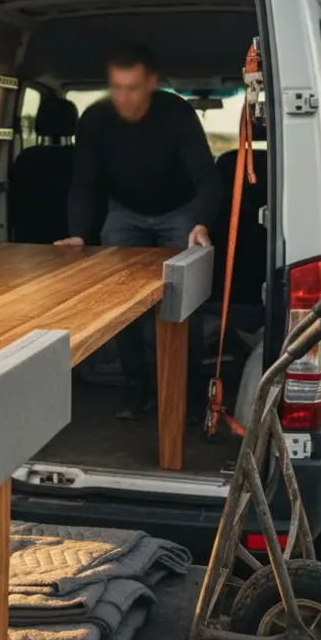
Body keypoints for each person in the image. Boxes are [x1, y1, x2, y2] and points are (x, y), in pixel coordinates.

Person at [55, 42, 221, 418]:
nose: (124, 98)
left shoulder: (177, 114)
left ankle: (188, 394)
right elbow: (84, 182)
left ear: (151, 84)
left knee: (183, 301)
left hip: (178, 211)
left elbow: (208, 178)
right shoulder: (95, 120)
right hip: (124, 213)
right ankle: (136, 391)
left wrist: (200, 223)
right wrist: (79, 232)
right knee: (122, 305)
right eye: (117, 88)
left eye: (132, 88)